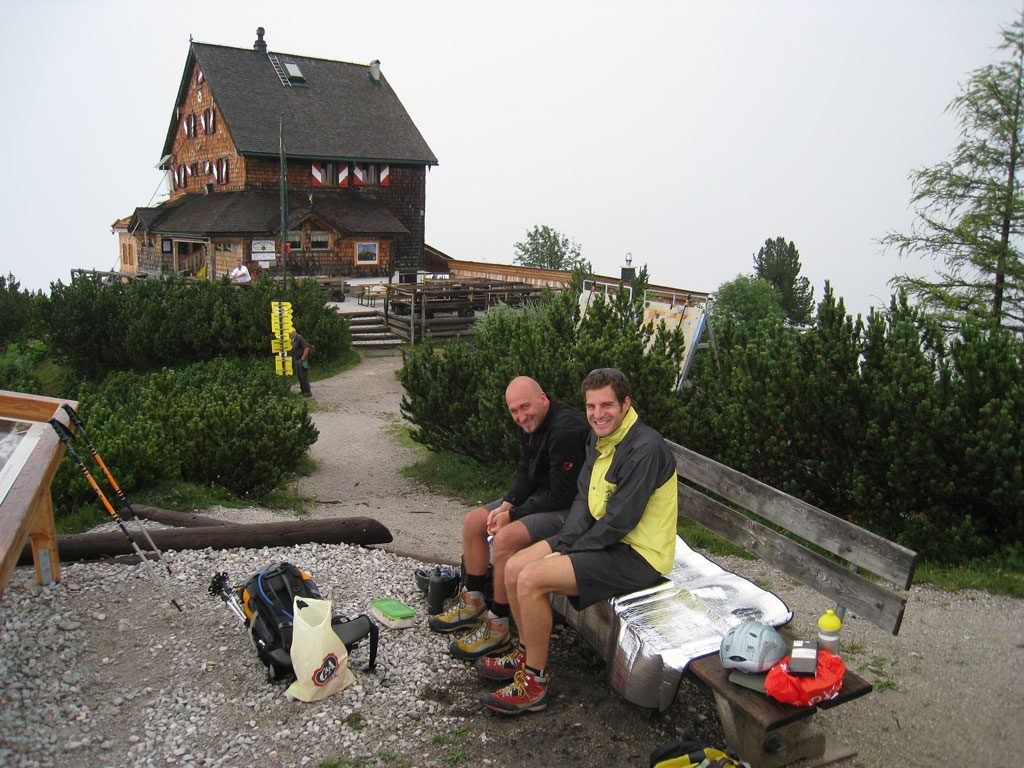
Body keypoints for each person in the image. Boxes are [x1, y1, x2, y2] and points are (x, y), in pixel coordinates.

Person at [477, 368, 678, 715]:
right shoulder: (599, 439)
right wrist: (564, 542)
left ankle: (533, 685)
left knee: (531, 578)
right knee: (513, 567)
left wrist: (565, 552)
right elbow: (584, 499)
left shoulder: (645, 448)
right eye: (591, 407)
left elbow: (620, 521)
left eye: (607, 406)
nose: (597, 415)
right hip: (604, 539)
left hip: (638, 555)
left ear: (626, 404)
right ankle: (525, 655)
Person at [429, 376, 589, 661]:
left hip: (569, 509)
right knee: (474, 521)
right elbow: (524, 470)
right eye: (514, 411)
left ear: (543, 399)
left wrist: (513, 516)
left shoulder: (565, 429)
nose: (520, 416)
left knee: (505, 538)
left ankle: (498, 626)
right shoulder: (531, 424)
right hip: (542, 498)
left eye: (525, 407)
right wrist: (507, 504)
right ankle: (473, 602)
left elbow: (562, 496)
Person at [289, 329, 312, 397]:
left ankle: (307, 391)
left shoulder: (300, 338)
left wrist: (303, 358)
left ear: (294, 332)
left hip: (302, 360)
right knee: (299, 375)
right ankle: (303, 390)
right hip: (296, 360)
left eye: (291, 334)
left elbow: (306, 348)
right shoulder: (292, 340)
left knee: (303, 375)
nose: (290, 335)